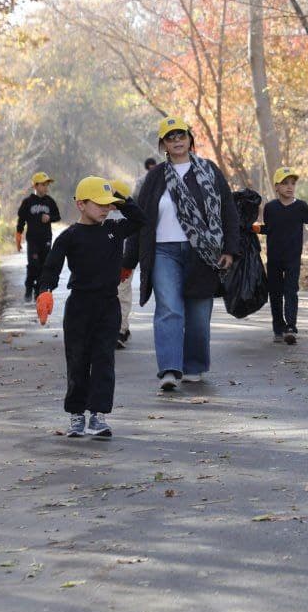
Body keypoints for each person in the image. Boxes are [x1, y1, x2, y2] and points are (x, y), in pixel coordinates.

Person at [123, 117, 240, 391]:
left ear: (189, 138)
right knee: (169, 308)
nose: (176, 140)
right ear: (163, 144)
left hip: (203, 253)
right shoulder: (155, 177)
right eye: (170, 137)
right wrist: (127, 262)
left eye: (181, 135)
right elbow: (138, 219)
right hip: (163, 251)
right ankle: (169, 369)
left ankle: (194, 365)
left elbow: (228, 212)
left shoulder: (210, 171)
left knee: (199, 315)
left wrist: (230, 250)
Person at [36, 176, 145, 438]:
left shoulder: (115, 229)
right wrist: (45, 291)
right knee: (77, 361)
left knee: (104, 360)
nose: (106, 209)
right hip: (79, 308)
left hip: (108, 306)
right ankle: (76, 414)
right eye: (100, 204)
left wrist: (123, 200)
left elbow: (142, 220)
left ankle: (98, 415)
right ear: (81, 204)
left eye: (109, 205)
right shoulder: (70, 236)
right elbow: (52, 265)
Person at [254, 166, 308, 345]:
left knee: (291, 291)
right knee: (275, 294)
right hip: (274, 258)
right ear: (276, 187)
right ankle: (278, 328)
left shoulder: (300, 207)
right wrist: (255, 229)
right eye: (285, 183)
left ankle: (290, 327)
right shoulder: (270, 208)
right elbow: (269, 228)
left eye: (292, 183)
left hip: (293, 257)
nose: (289, 187)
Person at [15, 172, 61, 302]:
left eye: (47, 185)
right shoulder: (27, 202)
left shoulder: (50, 202)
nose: (46, 187)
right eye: (43, 184)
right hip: (33, 240)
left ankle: (38, 291)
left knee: (44, 266)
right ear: (35, 186)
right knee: (33, 265)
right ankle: (29, 287)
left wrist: (50, 218)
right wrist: (18, 239)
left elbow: (58, 217)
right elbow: (21, 221)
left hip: (46, 239)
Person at [109, 178, 135, 349]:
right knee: (115, 296)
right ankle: (115, 328)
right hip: (110, 262)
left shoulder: (127, 216)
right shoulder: (106, 213)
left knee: (122, 295)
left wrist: (128, 263)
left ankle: (121, 330)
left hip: (124, 262)